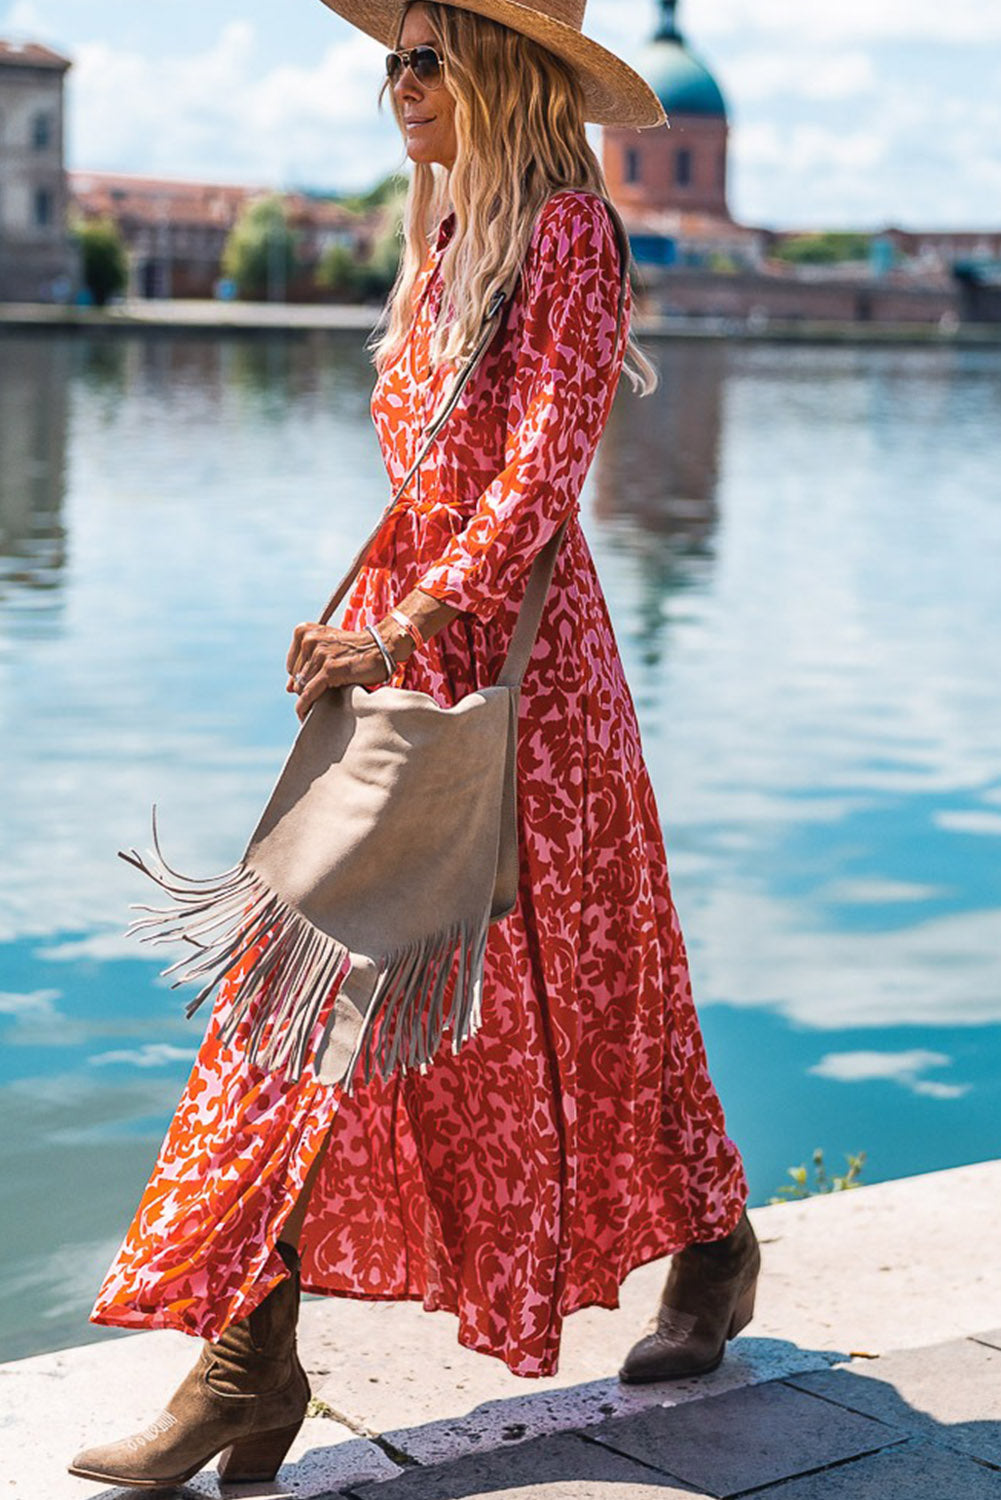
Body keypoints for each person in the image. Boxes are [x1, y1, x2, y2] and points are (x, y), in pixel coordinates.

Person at [68, 1, 759, 1488]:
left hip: (516, 683)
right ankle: (246, 1363)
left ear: (503, 73)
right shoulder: (438, 238)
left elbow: (543, 468)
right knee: (295, 994)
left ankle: (711, 1247)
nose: (398, 84)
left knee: (595, 988)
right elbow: (442, 471)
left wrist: (409, 617)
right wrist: (376, 614)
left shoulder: (571, 235)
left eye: (429, 57)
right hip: (404, 656)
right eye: (390, 57)